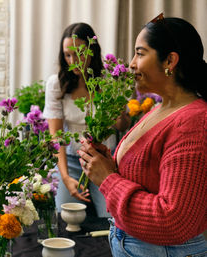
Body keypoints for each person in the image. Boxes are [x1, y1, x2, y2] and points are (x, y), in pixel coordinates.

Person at [78, 16, 207, 256]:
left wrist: (108, 179)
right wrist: (107, 163)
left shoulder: (193, 123)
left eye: (140, 53)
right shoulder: (159, 110)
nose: (131, 64)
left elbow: (175, 221)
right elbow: (148, 175)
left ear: (170, 60)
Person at [43, 23, 129, 216]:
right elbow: (56, 136)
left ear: (92, 50)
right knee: (67, 215)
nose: (73, 61)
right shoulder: (56, 83)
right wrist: (65, 177)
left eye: (79, 53)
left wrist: (120, 108)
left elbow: (122, 126)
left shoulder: (108, 80)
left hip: (106, 159)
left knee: (110, 216)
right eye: (67, 55)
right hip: (72, 161)